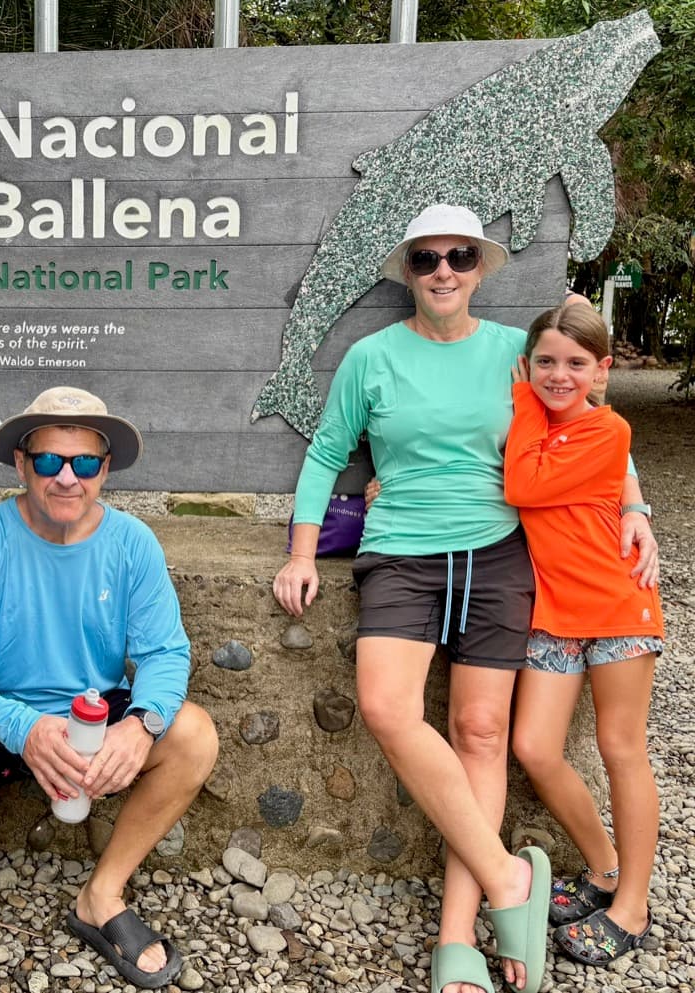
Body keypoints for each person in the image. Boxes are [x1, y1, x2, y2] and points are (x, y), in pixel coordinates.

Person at [272, 204, 658, 993]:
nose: (443, 270)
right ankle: (509, 878)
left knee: (481, 730)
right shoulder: (370, 357)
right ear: (408, 271)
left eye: (458, 255)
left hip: (497, 554)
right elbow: (326, 454)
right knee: (386, 708)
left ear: (480, 267)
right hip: (402, 555)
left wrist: (637, 508)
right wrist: (303, 551)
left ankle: (458, 938)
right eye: (425, 258)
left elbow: (587, 422)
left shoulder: (516, 353)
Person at [0, 386, 219, 993]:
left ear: (105, 470)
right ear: (20, 464)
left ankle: (102, 895)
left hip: (94, 720)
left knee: (192, 734)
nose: (67, 477)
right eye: (49, 461)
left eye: (84, 462)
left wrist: (141, 726)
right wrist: (22, 727)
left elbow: (166, 653)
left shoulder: (132, 544)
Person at [505, 305, 663, 966]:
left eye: (576, 363)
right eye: (545, 361)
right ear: (531, 361)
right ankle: (602, 866)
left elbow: (522, 481)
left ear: (603, 370)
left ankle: (633, 903)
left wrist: (519, 392)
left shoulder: (610, 427)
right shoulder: (538, 419)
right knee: (534, 746)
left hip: (618, 605)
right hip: (555, 612)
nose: (558, 374)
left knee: (621, 745)